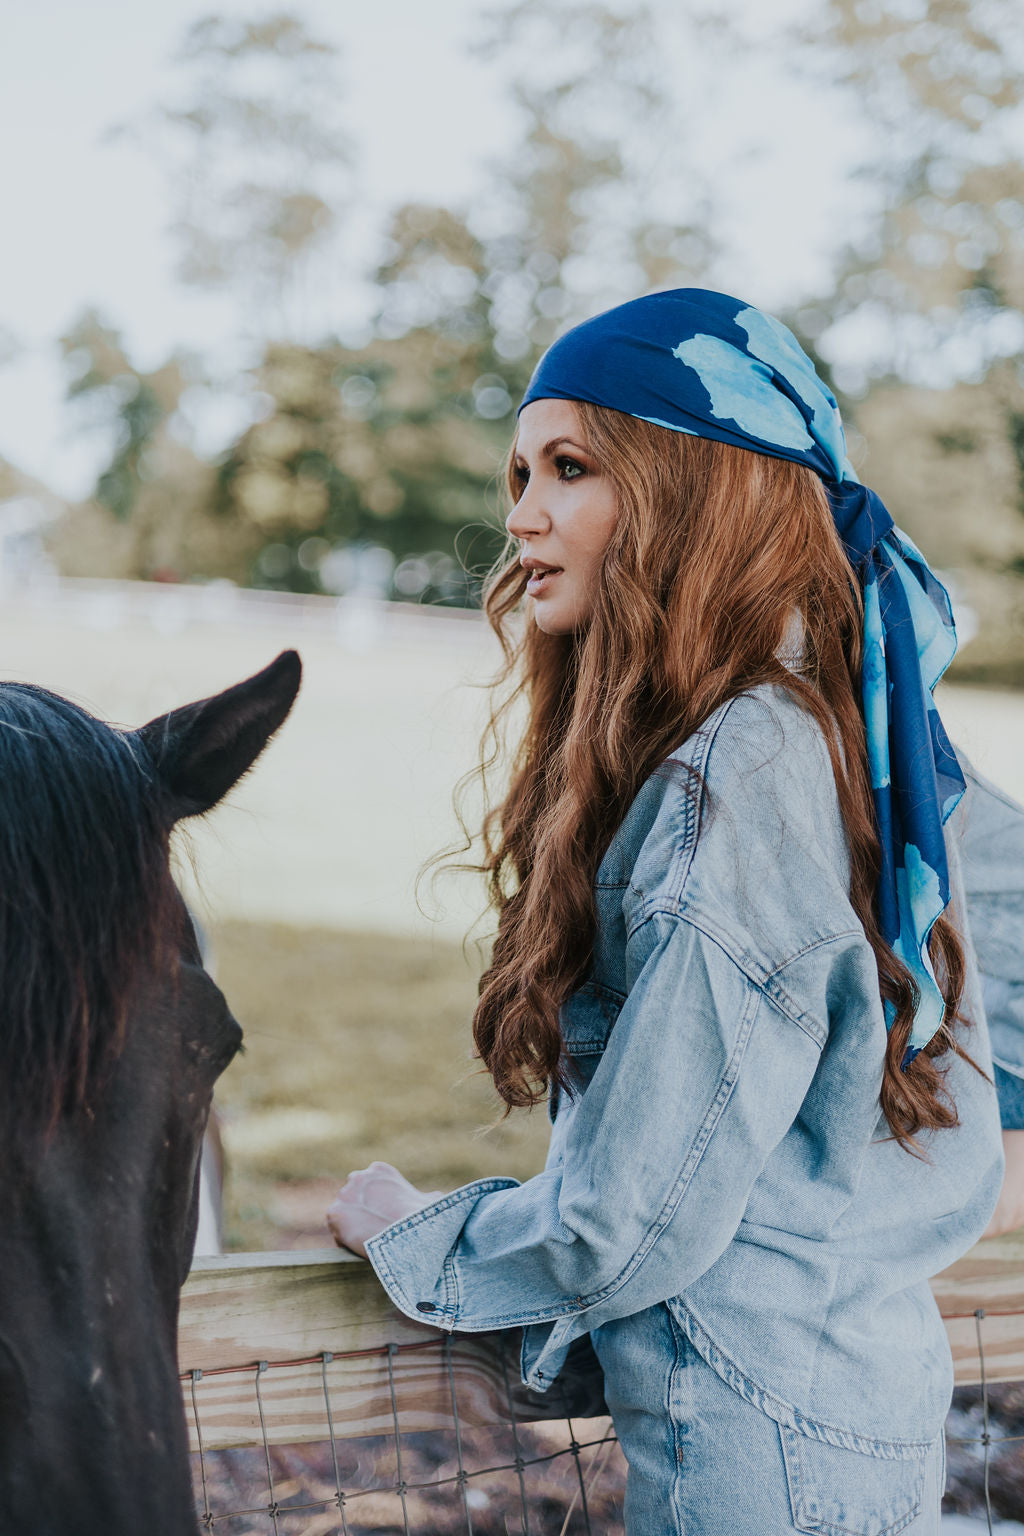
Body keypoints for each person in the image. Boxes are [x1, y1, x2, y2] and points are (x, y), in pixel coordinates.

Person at [327, 288, 1024, 1533]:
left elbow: (629, 1214)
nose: (521, 515)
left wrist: (410, 1234)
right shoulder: (844, 743)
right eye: (519, 472)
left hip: (761, 1459)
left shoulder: (743, 772)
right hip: (859, 1402)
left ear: (690, 490)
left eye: (571, 467)